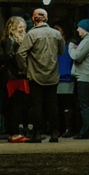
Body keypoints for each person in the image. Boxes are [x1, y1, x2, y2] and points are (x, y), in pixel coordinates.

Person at [17, 8, 65, 143]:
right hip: (53, 75)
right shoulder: (56, 34)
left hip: (35, 75)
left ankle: (37, 134)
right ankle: (55, 133)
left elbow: (20, 53)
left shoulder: (31, 34)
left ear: (33, 19)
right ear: (47, 19)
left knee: (36, 105)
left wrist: (24, 69)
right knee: (52, 105)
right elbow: (62, 51)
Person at [0, 16, 31, 143]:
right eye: (20, 27)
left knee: (18, 105)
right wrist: (22, 64)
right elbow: (9, 57)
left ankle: (15, 132)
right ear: (13, 28)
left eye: (23, 27)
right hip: (15, 77)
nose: (22, 30)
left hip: (16, 76)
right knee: (16, 106)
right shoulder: (10, 41)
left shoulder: (12, 39)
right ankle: (15, 133)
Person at [69, 18, 89, 139]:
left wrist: (71, 47)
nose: (77, 30)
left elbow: (77, 56)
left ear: (85, 29)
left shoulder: (88, 41)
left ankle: (86, 132)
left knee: (85, 106)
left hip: (86, 78)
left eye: (79, 27)